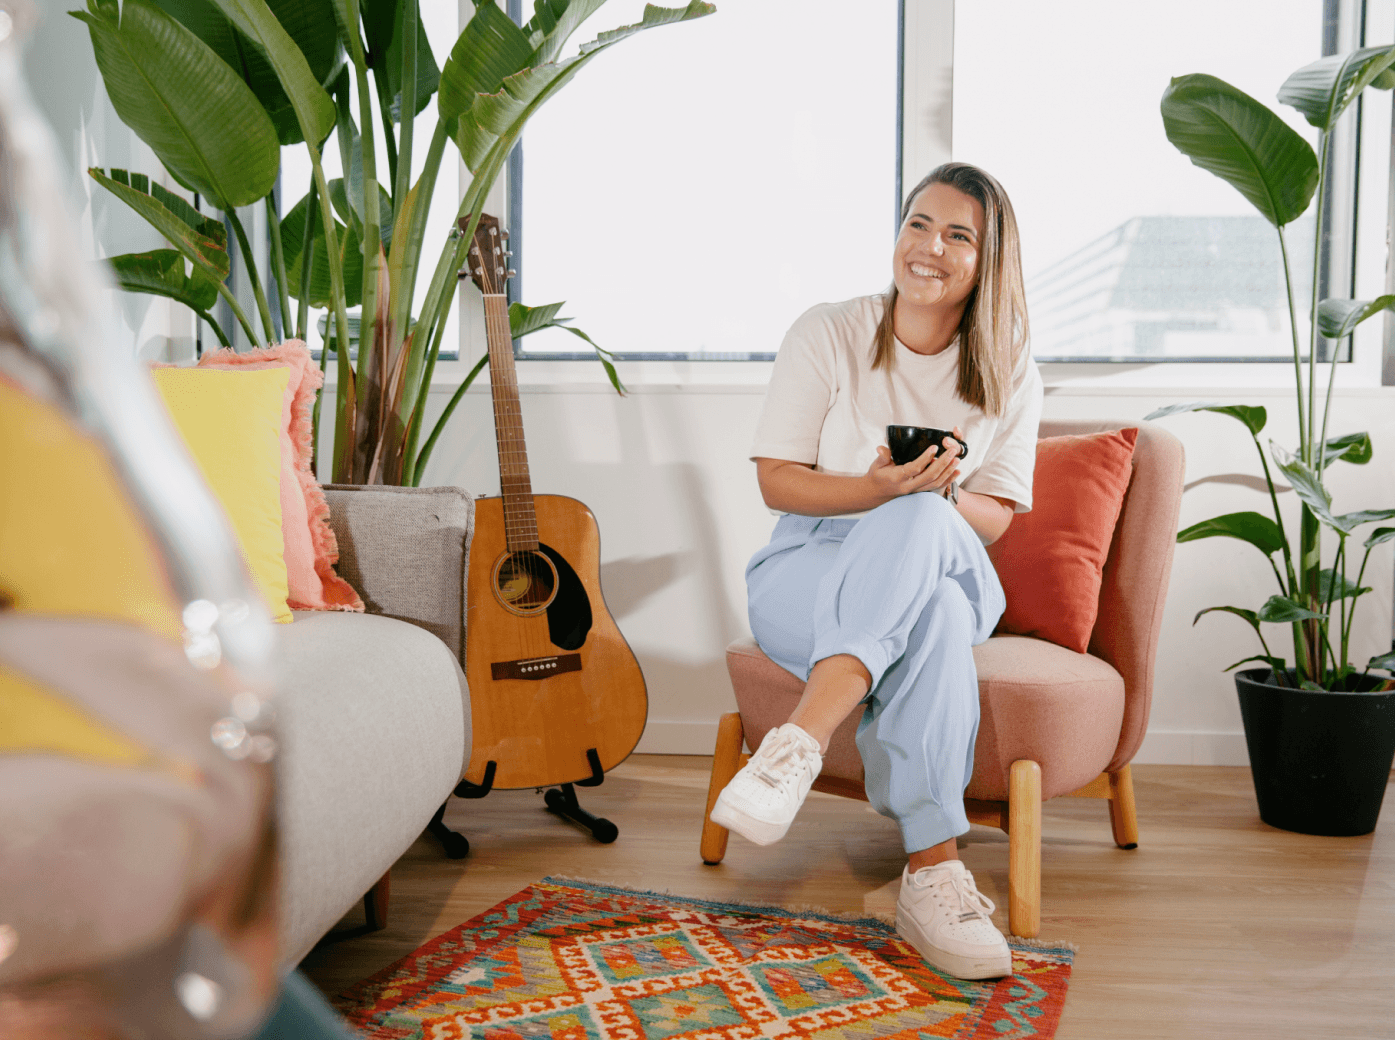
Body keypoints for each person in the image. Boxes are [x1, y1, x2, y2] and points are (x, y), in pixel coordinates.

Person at [710, 162, 1043, 981]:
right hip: (808, 560)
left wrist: (929, 494)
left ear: (987, 256)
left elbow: (995, 515)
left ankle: (797, 745)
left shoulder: (1010, 365)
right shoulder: (827, 330)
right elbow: (774, 479)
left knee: (922, 520)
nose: (928, 247)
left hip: (950, 561)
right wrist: (873, 488)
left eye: (956, 234)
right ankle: (933, 873)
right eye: (916, 224)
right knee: (921, 619)